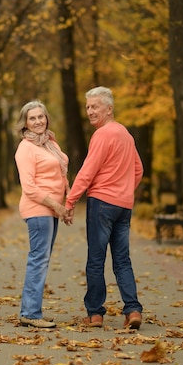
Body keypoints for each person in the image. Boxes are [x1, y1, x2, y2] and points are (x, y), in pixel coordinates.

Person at [65, 86, 144, 330]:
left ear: (109, 109)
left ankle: (95, 314)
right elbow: (138, 170)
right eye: (87, 107)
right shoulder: (126, 135)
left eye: (95, 106)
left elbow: (87, 172)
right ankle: (132, 310)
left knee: (96, 260)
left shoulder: (102, 135)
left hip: (101, 205)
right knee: (122, 260)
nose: (89, 111)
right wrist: (124, 190)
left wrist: (70, 201)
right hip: (123, 206)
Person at [15, 100, 70, 329]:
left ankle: (31, 310)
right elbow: (29, 187)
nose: (38, 121)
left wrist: (66, 203)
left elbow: (62, 175)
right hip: (38, 209)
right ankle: (30, 313)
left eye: (41, 117)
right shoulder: (26, 148)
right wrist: (56, 206)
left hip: (53, 209)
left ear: (46, 118)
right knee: (38, 259)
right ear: (25, 123)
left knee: (42, 259)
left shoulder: (49, 143)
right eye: (32, 118)